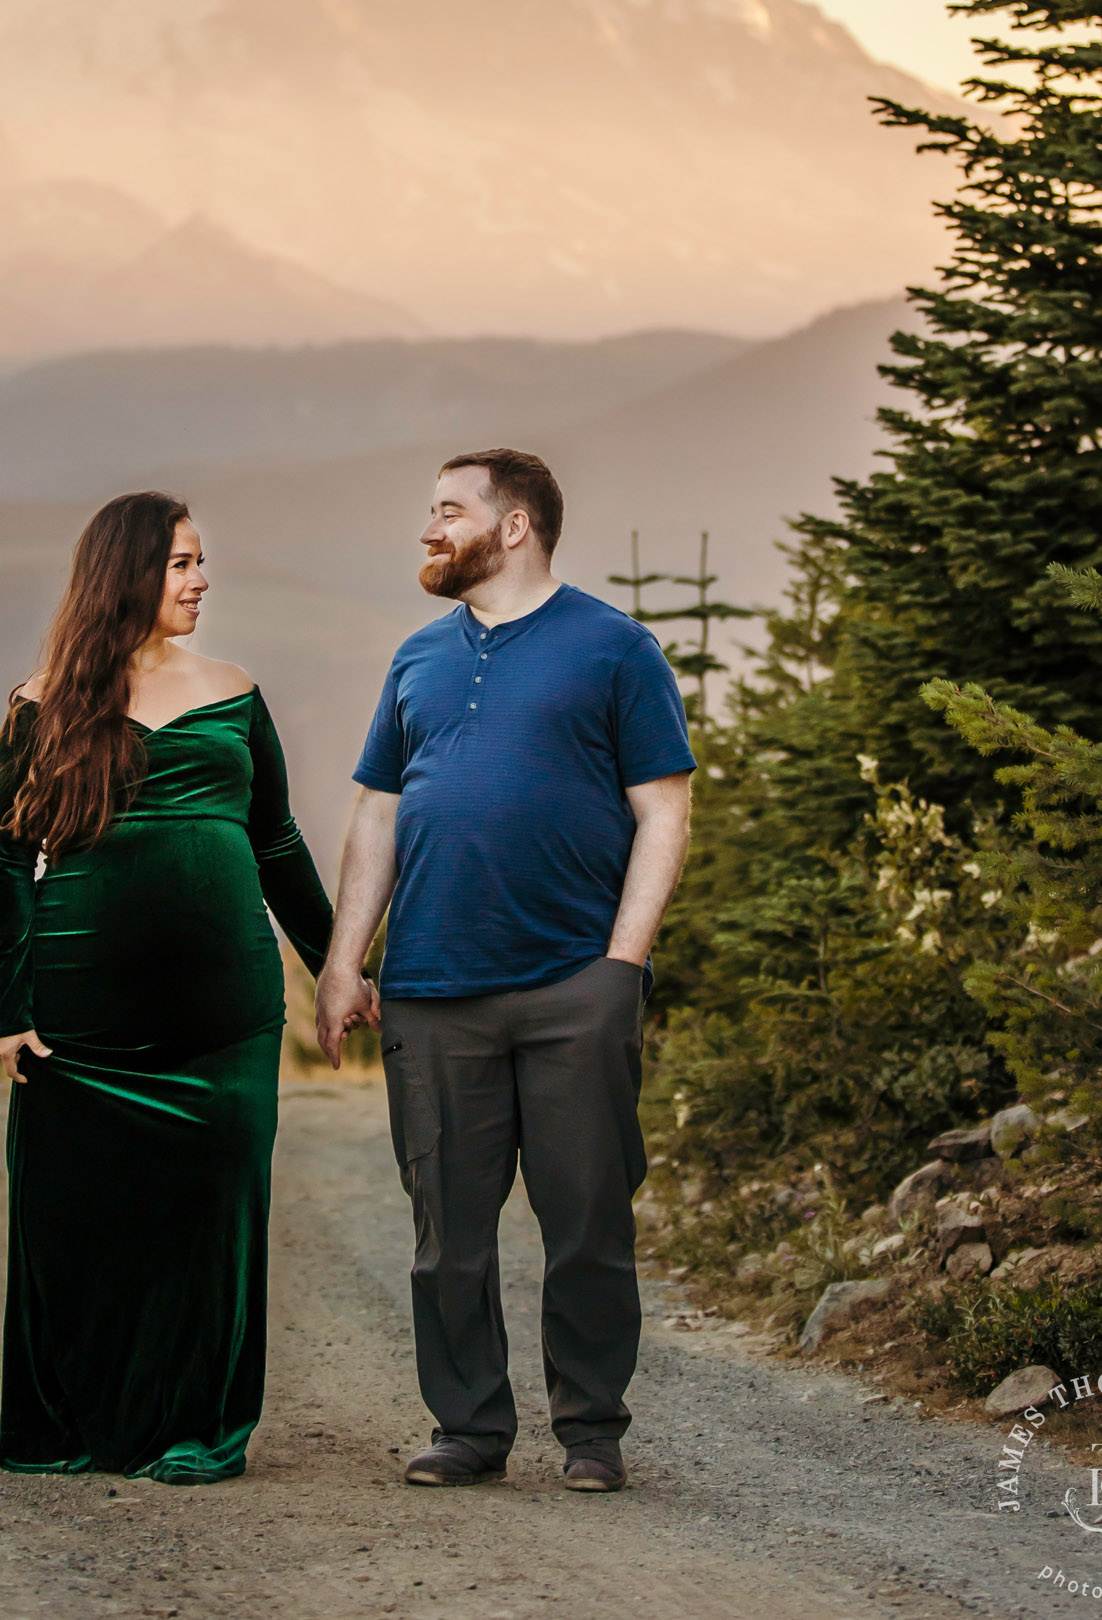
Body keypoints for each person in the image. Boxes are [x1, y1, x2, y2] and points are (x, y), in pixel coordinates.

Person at [314, 449, 693, 1495]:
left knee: (586, 1223)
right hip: (432, 991)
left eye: (447, 511)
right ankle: (469, 1428)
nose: (428, 530)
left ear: (513, 524)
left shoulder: (614, 650)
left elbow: (662, 808)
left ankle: (590, 1430)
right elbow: (377, 813)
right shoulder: (415, 660)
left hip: (576, 981)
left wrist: (622, 964)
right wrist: (345, 960)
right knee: (448, 1237)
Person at [0, 490, 358, 1483]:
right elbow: (6, 858)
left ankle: (197, 1428)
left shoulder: (234, 690)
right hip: (79, 1015)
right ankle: (70, 1425)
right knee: (77, 1217)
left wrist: (335, 965)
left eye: (200, 562)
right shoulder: (41, 704)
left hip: (221, 1013)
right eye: (181, 562)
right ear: (126, 576)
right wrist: (4, 1011)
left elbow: (274, 841)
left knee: (212, 1214)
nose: (200, 579)